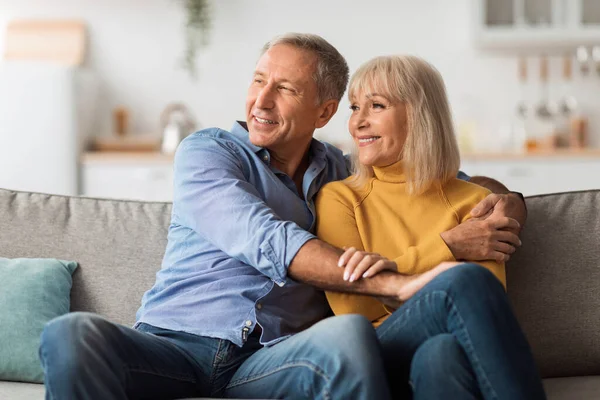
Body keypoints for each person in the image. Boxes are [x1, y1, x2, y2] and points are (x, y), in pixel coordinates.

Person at [39, 33, 528, 400]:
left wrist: (509, 203)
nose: (261, 100)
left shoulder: (342, 172)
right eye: (258, 80)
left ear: (323, 111)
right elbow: (263, 236)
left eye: (285, 89)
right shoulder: (209, 152)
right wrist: (395, 284)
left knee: (348, 336)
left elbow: (442, 174)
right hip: (172, 347)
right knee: (70, 332)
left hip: (270, 360)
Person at [315, 55, 545, 399]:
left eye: (376, 105)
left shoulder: (477, 202)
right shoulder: (339, 198)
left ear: (419, 116)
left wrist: (393, 269)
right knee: (465, 280)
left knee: (440, 355)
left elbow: (483, 309)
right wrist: (447, 247)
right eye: (354, 107)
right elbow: (356, 309)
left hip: (447, 350)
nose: (358, 122)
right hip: (377, 348)